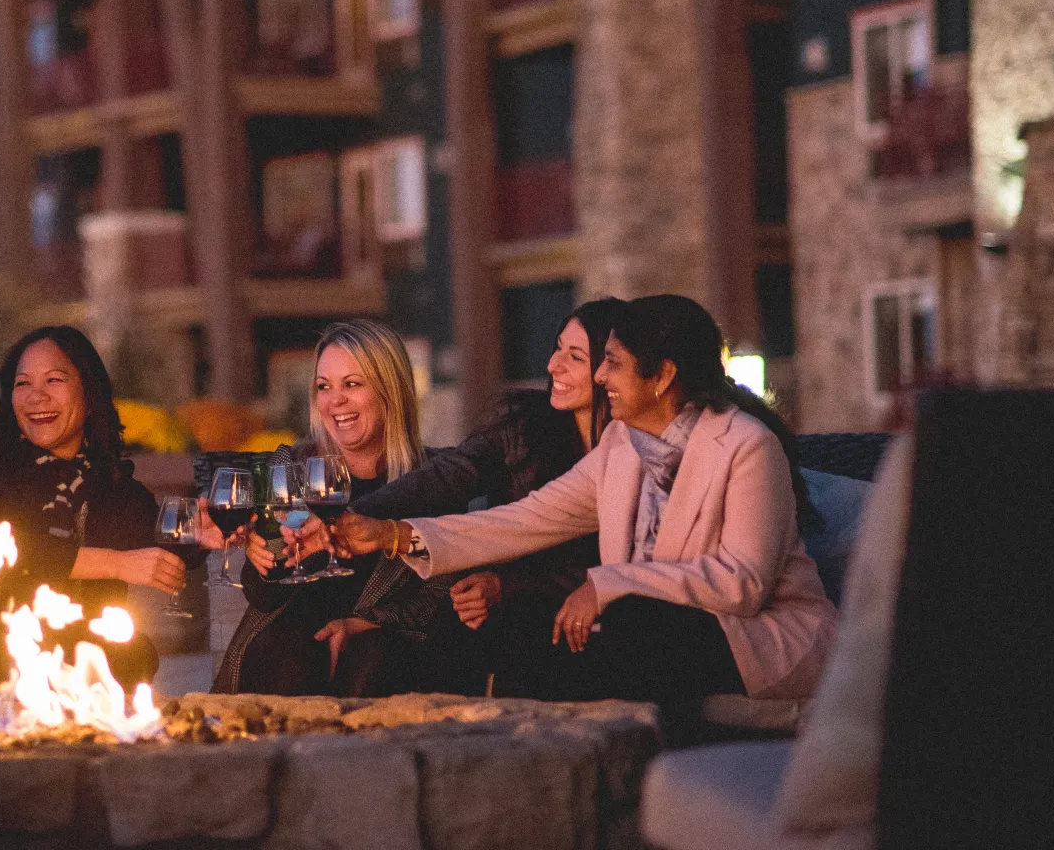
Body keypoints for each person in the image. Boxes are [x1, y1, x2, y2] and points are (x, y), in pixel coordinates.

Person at [335, 295, 836, 718]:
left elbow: (740, 583)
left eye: (612, 363)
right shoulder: (622, 444)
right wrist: (393, 534)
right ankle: (538, 773)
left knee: (634, 628)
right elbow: (527, 519)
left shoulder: (747, 444)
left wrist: (605, 584)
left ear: (662, 376)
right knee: (529, 639)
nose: (600, 376)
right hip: (650, 626)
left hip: (759, 637)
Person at [351, 299, 623, 672]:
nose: (552, 365)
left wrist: (510, 587)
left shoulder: (634, 448)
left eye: (575, 357)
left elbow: (637, 560)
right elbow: (453, 473)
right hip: (511, 602)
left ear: (614, 368)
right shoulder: (523, 423)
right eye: (557, 347)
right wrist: (360, 512)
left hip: (597, 608)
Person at [216, 319, 468, 697]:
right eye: (324, 387)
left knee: (371, 657)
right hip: (291, 649)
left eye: (352, 384)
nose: (335, 401)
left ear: (390, 390)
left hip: (386, 646)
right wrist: (263, 560)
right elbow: (264, 595)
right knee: (291, 655)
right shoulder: (292, 466)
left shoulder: (434, 478)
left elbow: (444, 590)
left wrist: (366, 623)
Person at [0, 325, 195, 686]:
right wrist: (117, 563)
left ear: (89, 391)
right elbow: (7, 550)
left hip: (85, 668)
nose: (36, 397)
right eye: (23, 384)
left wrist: (205, 531)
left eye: (53, 380)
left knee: (132, 655)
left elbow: (163, 541)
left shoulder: (110, 484)